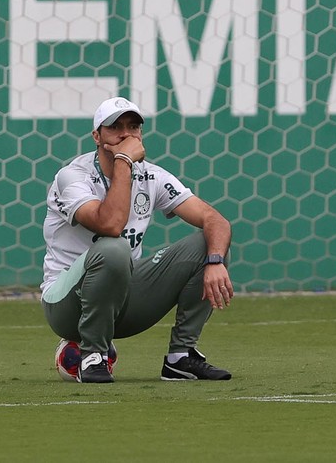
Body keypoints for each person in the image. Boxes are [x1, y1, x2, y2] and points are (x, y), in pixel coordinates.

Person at [41, 97, 234, 383]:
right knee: (113, 247)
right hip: (66, 305)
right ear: (97, 136)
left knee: (210, 243)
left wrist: (215, 261)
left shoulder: (152, 176)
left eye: (134, 127)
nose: (126, 134)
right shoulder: (72, 177)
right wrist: (124, 160)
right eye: (115, 127)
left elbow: (215, 220)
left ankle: (180, 357)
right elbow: (110, 225)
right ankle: (93, 355)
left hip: (123, 299)